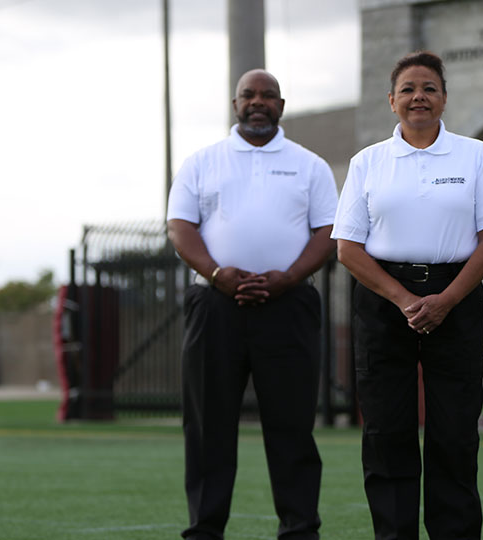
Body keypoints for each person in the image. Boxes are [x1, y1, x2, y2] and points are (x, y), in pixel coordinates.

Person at [331, 51, 483, 540]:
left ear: (444, 99)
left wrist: (445, 300)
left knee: (454, 433)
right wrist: (403, 300)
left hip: (456, 299)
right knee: (386, 433)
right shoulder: (367, 162)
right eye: (409, 89)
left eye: (430, 88)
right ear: (392, 101)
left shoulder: (476, 156)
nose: (420, 97)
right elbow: (348, 248)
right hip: (382, 302)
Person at [166, 69, 338, 540]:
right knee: (207, 428)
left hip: (290, 306)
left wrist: (290, 277)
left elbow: (328, 232)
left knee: (292, 428)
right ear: (235, 103)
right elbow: (181, 227)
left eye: (267, 96)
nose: (257, 102)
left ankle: (299, 530)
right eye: (249, 95)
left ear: (281, 106)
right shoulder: (202, 162)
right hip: (215, 306)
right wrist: (218, 274)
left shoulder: (310, 165)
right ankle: (205, 529)